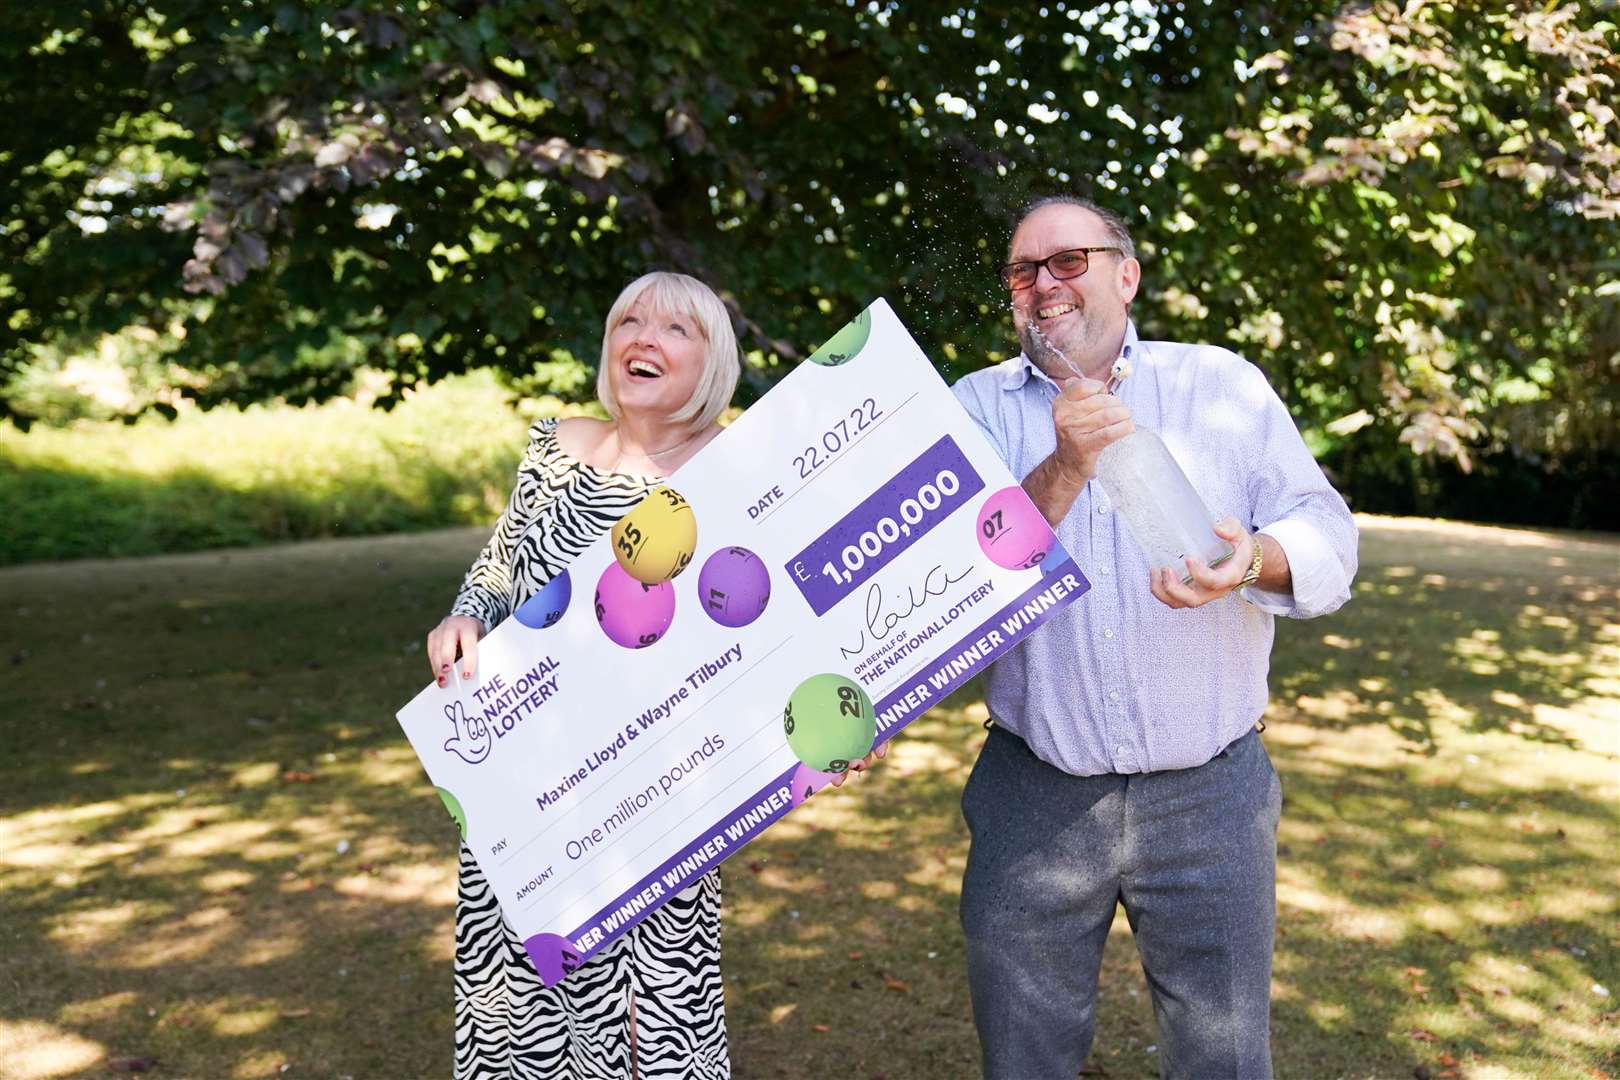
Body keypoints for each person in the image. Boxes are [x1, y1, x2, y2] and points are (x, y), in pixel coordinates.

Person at [950, 195, 1358, 1079]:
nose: (1043, 285)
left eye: (1070, 261)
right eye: (1024, 270)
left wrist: (1255, 561)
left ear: (1127, 275)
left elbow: (1327, 531)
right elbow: (952, 590)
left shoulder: (1222, 385)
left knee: (1224, 1058)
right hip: (1035, 793)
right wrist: (1063, 467)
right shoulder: (973, 407)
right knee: (1025, 1059)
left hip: (1212, 794)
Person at [425, 271, 740, 1079]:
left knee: (650, 1018)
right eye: (628, 320)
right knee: (517, 1008)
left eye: (674, 329)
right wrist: (465, 616)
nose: (643, 338)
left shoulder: (736, 466)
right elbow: (500, 569)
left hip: (656, 785)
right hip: (526, 779)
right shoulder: (556, 444)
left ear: (711, 357)